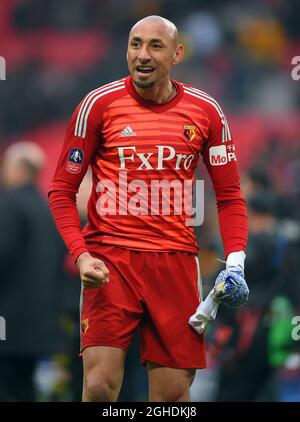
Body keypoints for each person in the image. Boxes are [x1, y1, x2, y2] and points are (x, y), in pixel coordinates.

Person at [48, 15, 248, 402]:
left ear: (177, 54)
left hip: (174, 264)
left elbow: (230, 197)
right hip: (110, 262)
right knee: (100, 387)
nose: (142, 54)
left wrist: (235, 259)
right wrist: (81, 255)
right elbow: (61, 191)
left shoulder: (206, 111)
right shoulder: (97, 105)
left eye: (155, 46)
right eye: (135, 44)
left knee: (172, 397)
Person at [0, 142, 65, 401]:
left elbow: (3, 253)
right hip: (40, 320)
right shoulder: (50, 209)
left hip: (7, 318)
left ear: (20, 169)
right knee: (25, 386)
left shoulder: (9, 204)